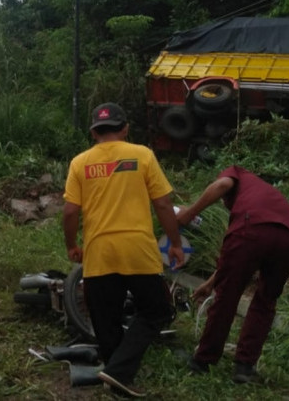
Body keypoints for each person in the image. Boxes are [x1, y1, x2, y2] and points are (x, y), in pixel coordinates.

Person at [62, 102, 185, 398]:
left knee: (106, 318)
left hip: (99, 251)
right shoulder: (142, 155)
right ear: (126, 128)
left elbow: (69, 212)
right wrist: (176, 244)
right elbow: (164, 204)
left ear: (93, 132)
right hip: (138, 250)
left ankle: (116, 371)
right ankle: (118, 375)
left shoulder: (80, 162)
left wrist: (72, 245)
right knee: (157, 311)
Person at [175, 165, 289, 383]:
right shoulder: (265, 194)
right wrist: (209, 283)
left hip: (251, 229)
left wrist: (189, 213)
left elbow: (223, 185)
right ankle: (244, 368)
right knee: (265, 301)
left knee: (227, 297)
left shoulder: (236, 172)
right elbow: (234, 264)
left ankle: (203, 360)